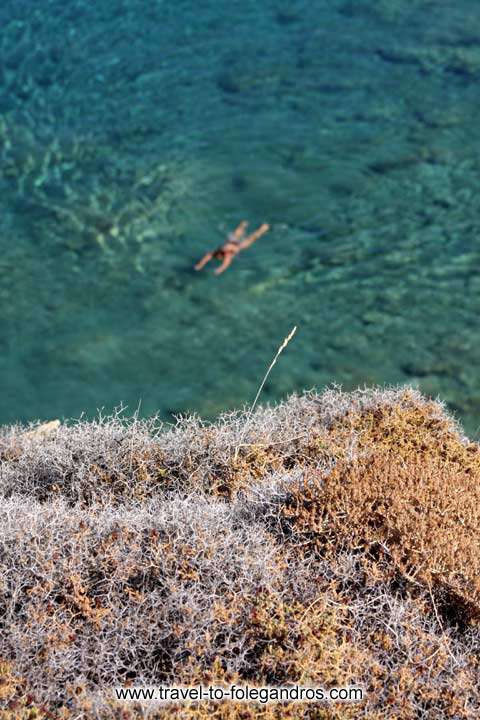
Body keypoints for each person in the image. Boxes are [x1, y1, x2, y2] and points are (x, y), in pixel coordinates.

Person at [194, 221, 270, 275]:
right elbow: (205, 259)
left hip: (238, 245)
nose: (219, 258)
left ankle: (261, 229)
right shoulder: (214, 254)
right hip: (234, 242)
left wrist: (219, 270)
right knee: (244, 235)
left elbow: (225, 265)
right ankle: (245, 224)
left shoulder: (227, 256)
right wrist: (200, 265)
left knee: (252, 238)